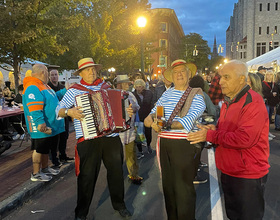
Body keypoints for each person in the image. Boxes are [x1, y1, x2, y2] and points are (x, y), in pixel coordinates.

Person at [187, 60, 270, 220]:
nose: (220, 82)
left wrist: (210, 135)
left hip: (247, 175)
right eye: (220, 77)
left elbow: (245, 139)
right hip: (230, 171)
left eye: (226, 77)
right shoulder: (229, 100)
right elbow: (229, 132)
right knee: (233, 215)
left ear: (241, 79)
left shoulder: (252, 102)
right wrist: (214, 130)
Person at [56, 58, 132, 220]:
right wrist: (69, 113)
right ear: (81, 73)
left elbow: (122, 109)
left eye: (93, 69)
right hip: (88, 138)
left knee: (116, 173)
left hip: (111, 137)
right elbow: (58, 110)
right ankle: (81, 213)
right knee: (87, 176)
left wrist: (127, 111)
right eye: (87, 70)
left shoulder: (107, 87)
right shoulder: (74, 91)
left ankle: (119, 205)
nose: (91, 72)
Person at [144, 59, 206, 220]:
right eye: (175, 72)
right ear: (171, 76)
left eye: (182, 71)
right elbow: (154, 113)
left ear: (189, 74)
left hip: (184, 144)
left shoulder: (196, 94)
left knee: (183, 188)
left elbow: (189, 120)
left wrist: (161, 125)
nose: (179, 75)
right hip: (164, 144)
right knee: (168, 186)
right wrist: (152, 122)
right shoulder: (167, 93)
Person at [22, 64, 65, 182]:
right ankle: (36, 173)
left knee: (45, 147)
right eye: (47, 72)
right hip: (40, 126)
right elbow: (34, 107)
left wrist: (65, 91)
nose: (48, 75)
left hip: (49, 123)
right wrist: (40, 122)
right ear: (43, 72)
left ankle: (45, 169)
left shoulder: (42, 85)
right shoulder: (33, 86)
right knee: (39, 148)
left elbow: (54, 97)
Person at [115, 74, 143, 184]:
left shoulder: (130, 94)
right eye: (125, 82)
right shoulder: (112, 95)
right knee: (117, 156)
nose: (128, 84)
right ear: (119, 84)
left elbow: (137, 107)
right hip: (117, 132)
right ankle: (117, 176)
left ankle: (134, 175)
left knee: (131, 153)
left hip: (129, 129)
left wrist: (132, 106)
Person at [48, 68, 74, 166]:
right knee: (55, 138)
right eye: (52, 75)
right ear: (49, 76)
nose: (54, 76)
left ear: (58, 76)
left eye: (55, 75)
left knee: (64, 136)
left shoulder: (62, 86)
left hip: (64, 115)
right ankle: (54, 158)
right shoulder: (48, 88)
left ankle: (63, 155)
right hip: (54, 116)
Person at [133, 78, 153, 159]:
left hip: (147, 115)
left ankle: (148, 145)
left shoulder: (148, 93)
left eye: (140, 86)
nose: (138, 88)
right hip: (138, 117)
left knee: (148, 132)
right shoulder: (133, 94)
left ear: (143, 86)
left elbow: (147, 102)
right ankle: (140, 150)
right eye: (137, 86)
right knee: (138, 134)